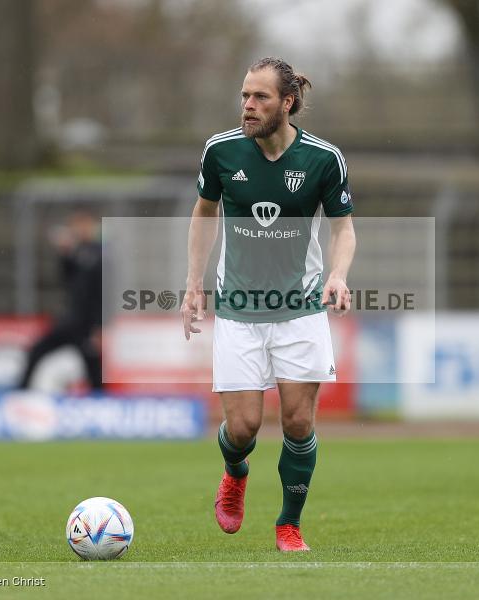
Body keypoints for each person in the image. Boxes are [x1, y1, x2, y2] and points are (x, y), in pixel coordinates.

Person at [182, 57, 356, 552]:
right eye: (244, 96)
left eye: (259, 97)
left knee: (299, 423)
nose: (248, 107)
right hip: (238, 308)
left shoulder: (324, 159)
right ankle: (234, 474)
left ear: (288, 102)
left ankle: (288, 523)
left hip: (300, 308)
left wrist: (338, 275)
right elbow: (203, 213)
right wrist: (194, 282)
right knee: (243, 428)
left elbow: (344, 228)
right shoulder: (221, 151)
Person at [18, 209, 104, 392]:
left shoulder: (98, 253)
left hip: (86, 324)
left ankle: (100, 401)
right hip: (71, 321)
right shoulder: (78, 253)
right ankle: (21, 390)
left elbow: (100, 293)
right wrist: (65, 254)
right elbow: (67, 279)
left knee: (94, 366)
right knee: (37, 351)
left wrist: (99, 326)